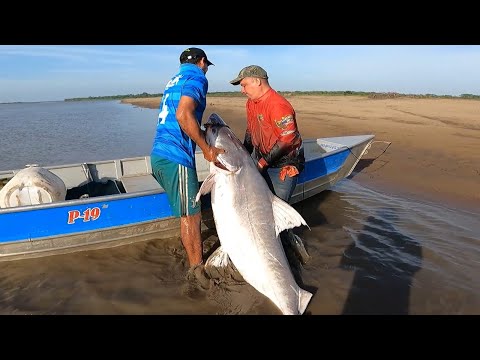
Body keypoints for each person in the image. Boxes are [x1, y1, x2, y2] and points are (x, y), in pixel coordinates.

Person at [150, 47, 224, 289]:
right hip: (176, 157)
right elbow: (183, 115)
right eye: (206, 65)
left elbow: (179, 116)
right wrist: (206, 147)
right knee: (191, 216)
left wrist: (202, 134)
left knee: (185, 213)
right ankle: (197, 271)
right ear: (202, 62)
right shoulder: (197, 77)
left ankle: (192, 261)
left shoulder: (175, 79)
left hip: (159, 156)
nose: (206, 69)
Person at [230, 65, 309, 267]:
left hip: (284, 164)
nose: (242, 90)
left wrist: (261, 163)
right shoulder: (251, 103)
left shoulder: (278, 105)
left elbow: (287, 139)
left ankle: (290, 259)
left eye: (244, 84)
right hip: (263, 160)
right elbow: (250, 129)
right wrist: (245, 154)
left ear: (257, 81)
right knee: (261, 211)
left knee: (277, 215)